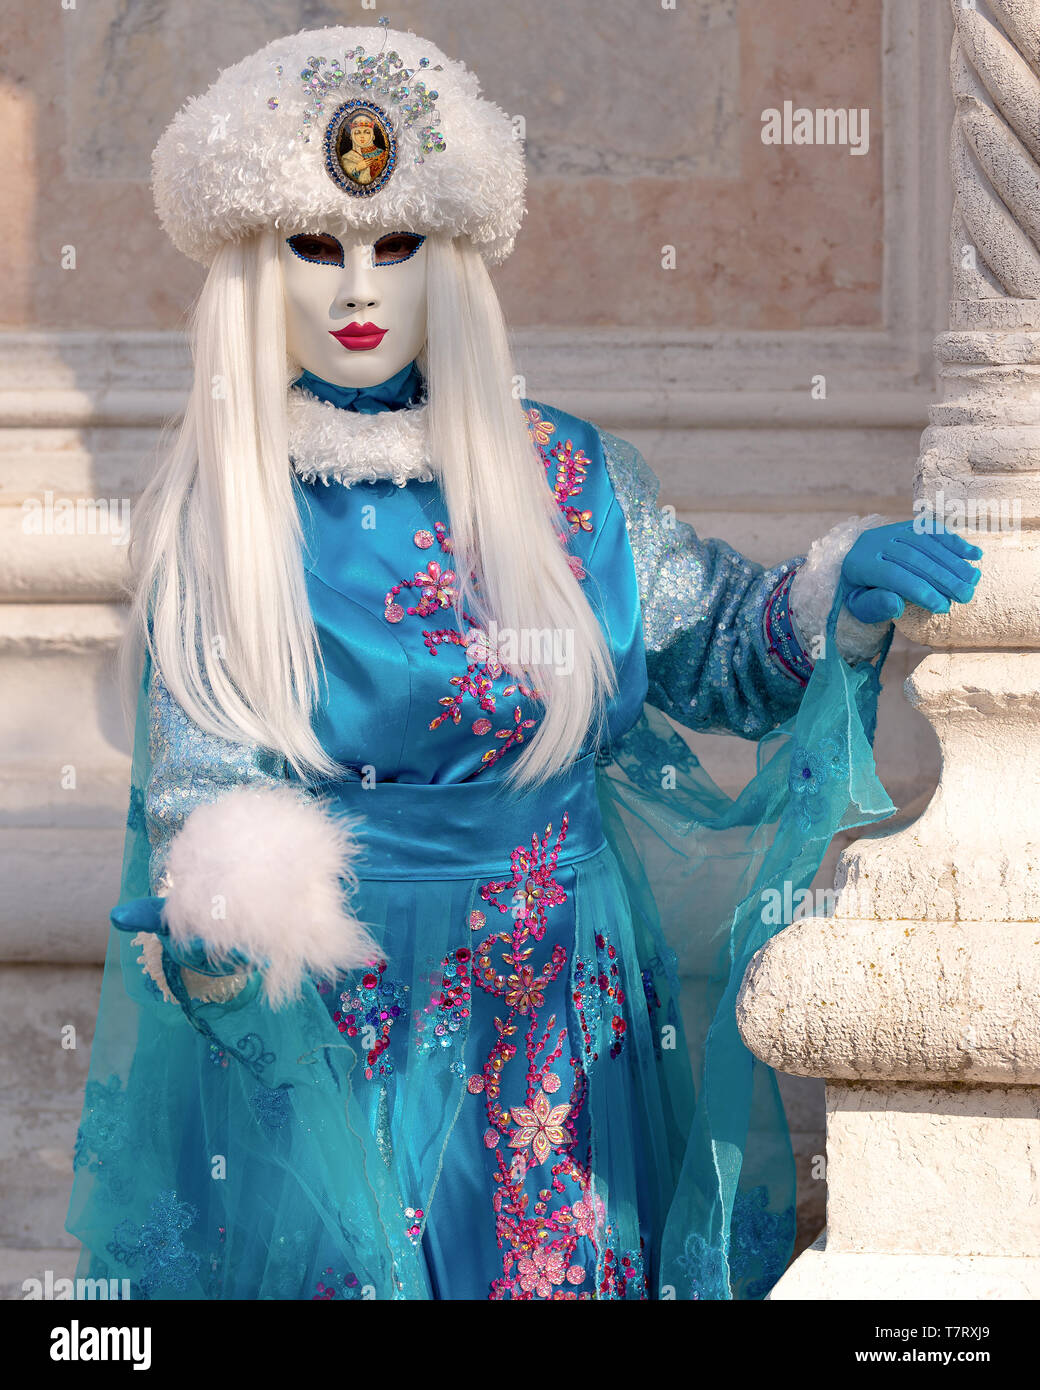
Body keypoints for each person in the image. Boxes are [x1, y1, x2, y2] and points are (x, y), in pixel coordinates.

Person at [66, 22, 982, 1301]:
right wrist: (215, 919)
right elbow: (202, 774)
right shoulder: (227, 517)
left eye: (398, 248)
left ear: (453, 264)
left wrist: (828, 599)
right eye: (314, 250)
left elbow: (713, 648)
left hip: (563, 1003)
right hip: (346, 1015)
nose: (357, 292)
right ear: (252, 271)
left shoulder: (567, 478)